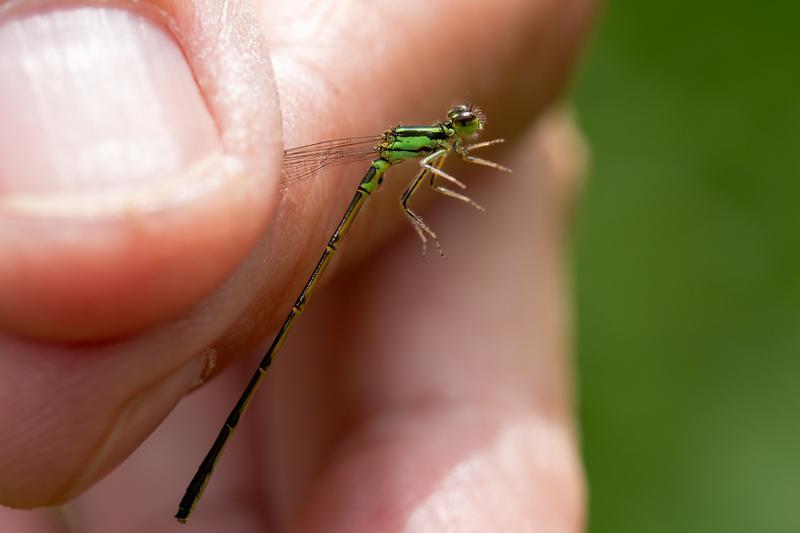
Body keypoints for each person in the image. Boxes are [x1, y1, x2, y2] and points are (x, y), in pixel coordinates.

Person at [0, 1, 595, 530]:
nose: (464, 130)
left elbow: (424, 185)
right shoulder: (416, 146)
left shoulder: (437, 143)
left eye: (462, 125)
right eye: (462, 125)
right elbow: (414, 191)